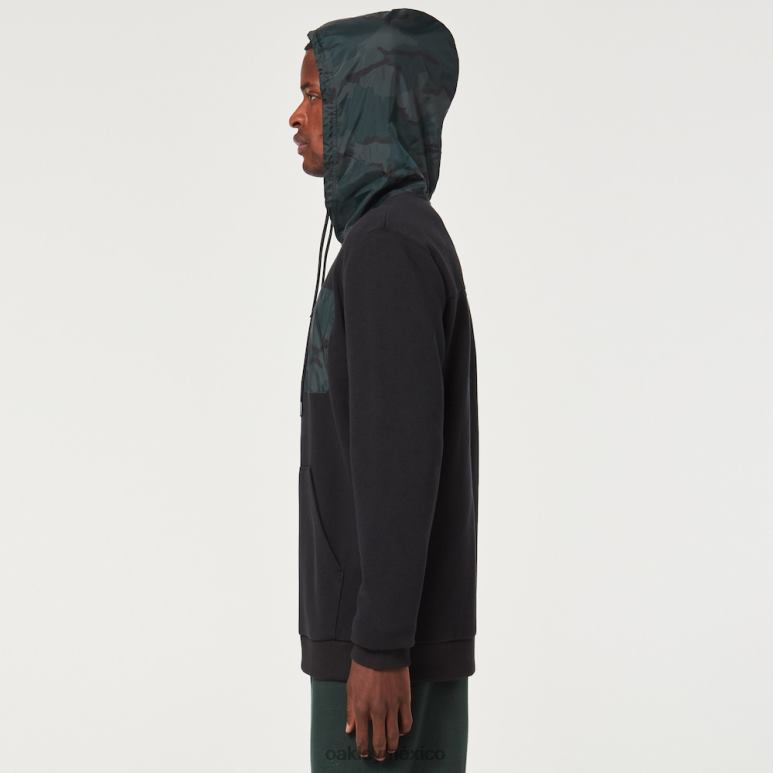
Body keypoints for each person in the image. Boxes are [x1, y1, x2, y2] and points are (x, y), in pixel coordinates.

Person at [288, 9, 478, 771]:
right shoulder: (392, 236)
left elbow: (398, 457)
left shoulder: (388, 249)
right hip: (383, 642)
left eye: (315, 94)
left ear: (363, 102)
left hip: (380, 662)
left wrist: (379, 645)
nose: (295, 116)